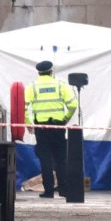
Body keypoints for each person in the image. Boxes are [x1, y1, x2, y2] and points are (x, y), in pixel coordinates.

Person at [24, 60, 78, 198]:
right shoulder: (60, 85)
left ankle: (48, 191)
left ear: (39, 72)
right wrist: (65, 119)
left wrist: (28, 122)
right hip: (57, 127)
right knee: (61, 159)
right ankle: (64, 190)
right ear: (51, 71)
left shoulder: (32, 86)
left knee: (45, 160)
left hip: (41, 128)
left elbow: (23, 106)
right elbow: (73, 104)